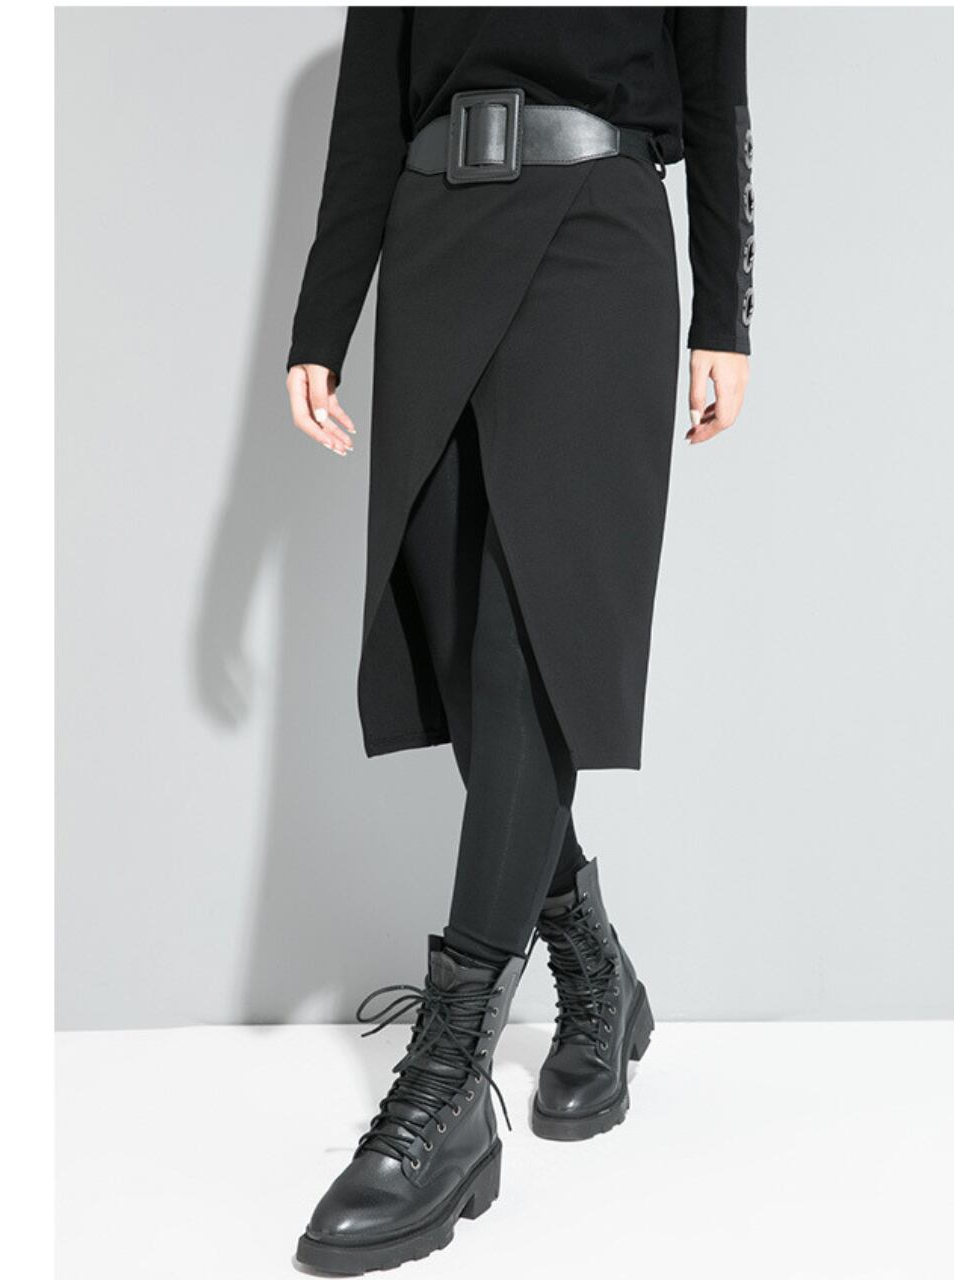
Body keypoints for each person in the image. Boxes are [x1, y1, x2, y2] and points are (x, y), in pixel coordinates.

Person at [284, 8, 752, 1273]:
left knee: (524, 632)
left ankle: (445, 1086)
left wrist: (724, 311)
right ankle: (593, 965)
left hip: (595, 233)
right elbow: (366, 110)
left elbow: (715, 95)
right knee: (451, 638)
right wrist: (321, 321)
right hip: (433, 235)